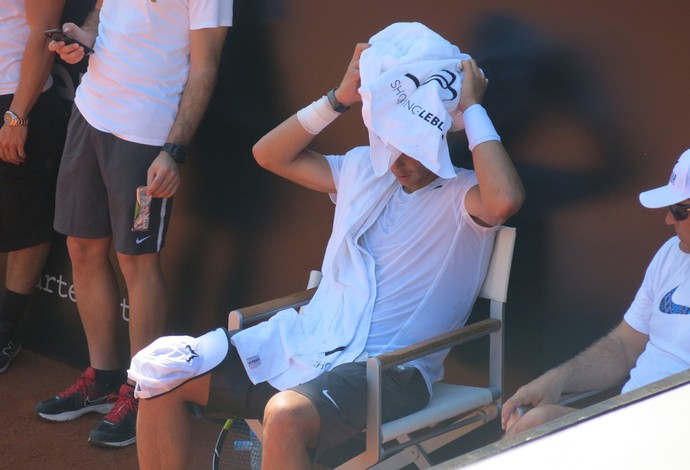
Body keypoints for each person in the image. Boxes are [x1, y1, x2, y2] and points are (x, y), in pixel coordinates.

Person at [129, 22, 525, 470]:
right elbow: (268, 154)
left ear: (438, 136)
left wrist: (471, 108)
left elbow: (505, 200)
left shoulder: (464, 196)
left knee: (283, 417)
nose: (399, 161)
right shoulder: (364, 169)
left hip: (392, 371)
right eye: (391, 143)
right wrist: (338, 98)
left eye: (413, 147)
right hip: (314, 341)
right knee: (162, 372)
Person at [33, 0, 233, 448]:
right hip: (89, 113)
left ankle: (144, 394)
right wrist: (83, 37)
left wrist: (174, 150)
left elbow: (205, 67)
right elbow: (102, 10)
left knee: (137, 263)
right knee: (82, 248)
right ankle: (103, 379)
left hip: (145, 135)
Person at [501, 148, 690, 437]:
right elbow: (625, 346)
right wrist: (559, 379)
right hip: (630, 423)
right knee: (534, 425)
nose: (668, 220)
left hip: (666, 436)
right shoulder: (671, 253)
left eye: (678, 209)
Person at [0, 0, 68, 373]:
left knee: (24, 219)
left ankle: (6, 328)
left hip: (15, 99)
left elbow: (44, 34)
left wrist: (17, 114)